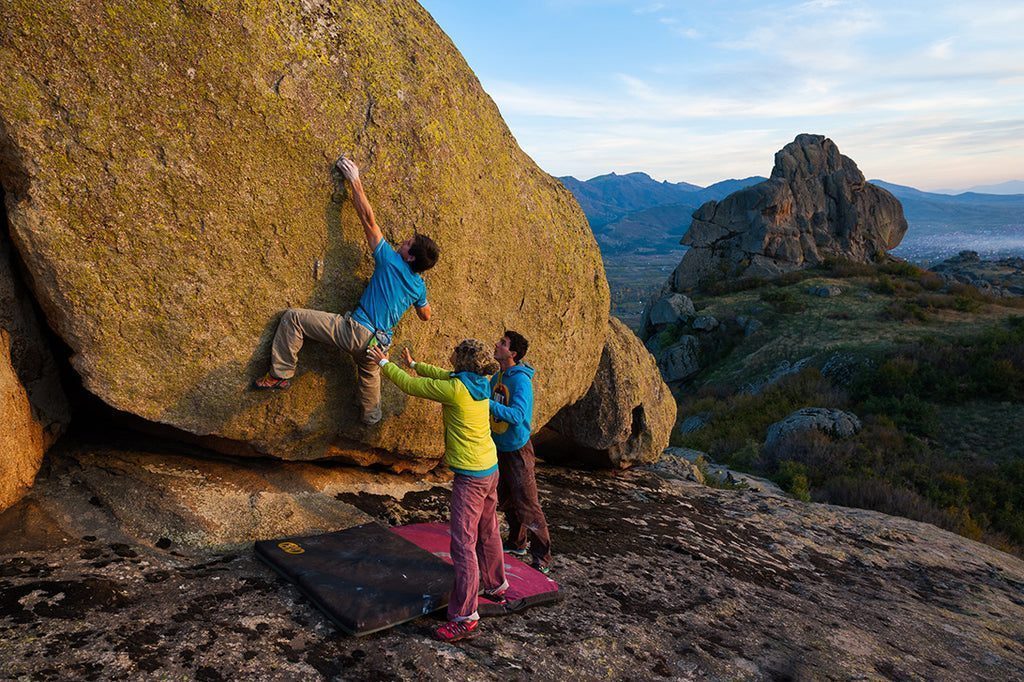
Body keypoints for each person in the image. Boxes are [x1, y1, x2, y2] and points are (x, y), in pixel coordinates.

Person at [253, 157, 440, 426]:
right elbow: (425, 315)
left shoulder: (390, 260)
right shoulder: (418, 285)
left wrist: (354, 180)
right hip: (379, 346)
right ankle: (372, 421)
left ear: (410, 257)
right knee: (369, 378)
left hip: (355, 331)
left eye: (407, 243)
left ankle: (280, 373)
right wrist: (417, 298)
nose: (402, 242)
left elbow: (368, 219)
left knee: (293, 318)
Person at [367, 340, 507, 642]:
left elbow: (411, 387)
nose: (450, 354)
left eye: (454, 352)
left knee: (463, 545)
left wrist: (383, 363)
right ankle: (496, 584)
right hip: (490, 468)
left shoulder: (456, 390)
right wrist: (416, 364)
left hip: (470, 477)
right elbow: (442, 373)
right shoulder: (479, 382)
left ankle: (466, 616)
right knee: (488, 529)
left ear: (463, 361)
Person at [489, 331, 552, 573]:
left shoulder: (521, 381)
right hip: (499, 448)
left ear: (512, 353)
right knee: (506, 498)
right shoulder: (498, 376)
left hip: (517, 449)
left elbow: (517, 415)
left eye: (502, 343)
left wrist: (486, 404)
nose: (496, 344)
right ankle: (517, 543)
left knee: (528, 504)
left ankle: (542, 558)